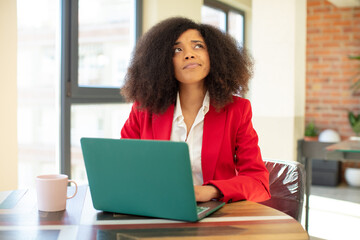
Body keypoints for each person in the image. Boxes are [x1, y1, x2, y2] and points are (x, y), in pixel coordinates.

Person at [120, 17, 270, 203]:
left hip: (215, 215)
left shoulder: (237, 110)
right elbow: (123, 168)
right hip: (156, 209)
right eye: (177, 49)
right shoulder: (143, 109)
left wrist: (209, 191)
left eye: (198, 46)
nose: (189, 54)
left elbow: (258, 182)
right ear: (162, 61)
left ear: (214, 54)